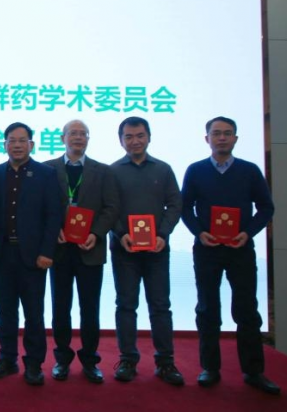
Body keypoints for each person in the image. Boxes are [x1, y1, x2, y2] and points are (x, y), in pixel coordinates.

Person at [181, 116, 279, 395]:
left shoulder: (249, 171)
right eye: (216, 133)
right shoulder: (196, 170)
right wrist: (200, 233)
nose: (222, 138)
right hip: (207, 250)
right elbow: (184, 208)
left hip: (241, 250)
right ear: (207, 139)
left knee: (246, 310)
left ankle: (253, 371)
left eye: (227, 133)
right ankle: (210, 368)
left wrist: (247, 233)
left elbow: (266, 208)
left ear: (235, 138)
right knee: (207, 309)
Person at [109, 116, 184, 386]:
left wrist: (163, 234)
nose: (135, 141)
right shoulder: (112, 171)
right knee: (126, 305)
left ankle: (165, 362)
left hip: (157, 251)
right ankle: (127, 359)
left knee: (160, 306)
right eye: (129, 137)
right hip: (124, 250)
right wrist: (121, 234)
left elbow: (175, 205)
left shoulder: (163, 170)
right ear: (121, 141)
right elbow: (109, 208)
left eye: (140, 135)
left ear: (149, 137)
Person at [0, 122, 61, 386]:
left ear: (31, 144)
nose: (17, 145)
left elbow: (54, 216)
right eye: (12, 140)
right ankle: (7, 359)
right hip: (2, 252)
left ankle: (34, 364)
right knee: (5, 311)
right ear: (4, 145)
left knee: (34, 313)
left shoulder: (46, 174)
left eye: (22, 140)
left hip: (34, 256)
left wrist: (47, 252)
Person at [44, 120, 119, 383]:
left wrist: (95, 234)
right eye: (73, 133)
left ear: (88, 139)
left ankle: (90, 360)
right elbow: (41, 206)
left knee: (90, 308)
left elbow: (111, 208)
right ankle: (62, 359)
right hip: (60, 249)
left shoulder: (103, 171)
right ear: (62, 138)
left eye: (83, 134)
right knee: (60, 307)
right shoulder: (47, 169)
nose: (78, 137)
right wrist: (53, 230)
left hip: (90, 249)